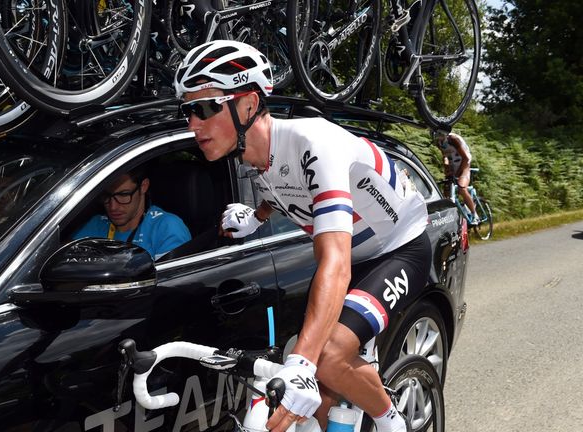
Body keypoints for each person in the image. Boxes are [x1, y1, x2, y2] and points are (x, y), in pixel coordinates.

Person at [174, 40, 432, 432]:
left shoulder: (313, 143)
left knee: (322, 358)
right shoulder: (257, 159)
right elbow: (282, 193)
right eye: (186, 110)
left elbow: (335, 261)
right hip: (354, 257)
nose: (193, 122)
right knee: (303, 402)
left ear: (246, 105)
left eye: (204, 107)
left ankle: (392, 423)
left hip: (400, 248)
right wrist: (257, 217)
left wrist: (303, 366)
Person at [72, 167, 191, 260]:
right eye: (106, 196)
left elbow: (171, 285)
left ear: (143, 186)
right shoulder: (96, 224)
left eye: (123, 195)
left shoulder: (167, 227)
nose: (113, 207)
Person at [437, 131, 478, 223]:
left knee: (461, 188)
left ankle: (474, 214)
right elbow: (445, 157)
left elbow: (466, 158)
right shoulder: (438, 142)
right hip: (453, 167)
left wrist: (459, 173)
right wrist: (447, 168)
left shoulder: (453, 139)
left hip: (464, 165)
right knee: (446, 192)